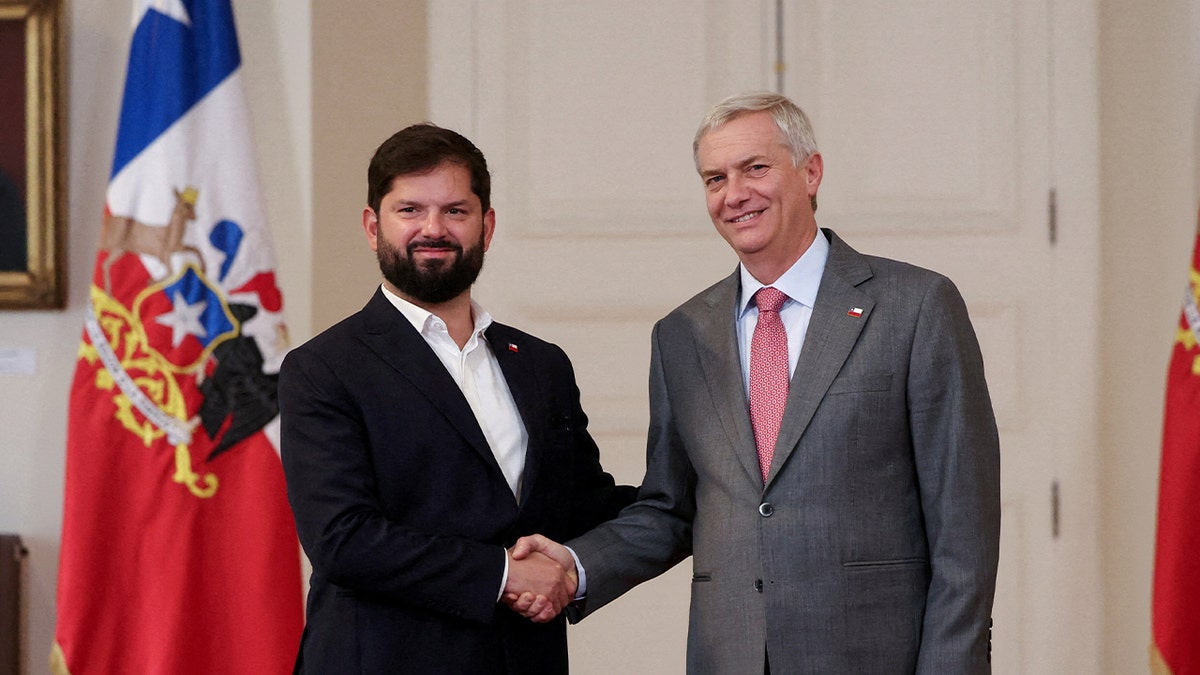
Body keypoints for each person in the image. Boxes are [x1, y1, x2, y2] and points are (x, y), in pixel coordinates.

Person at [510, 92, 1001, 673]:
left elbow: (963, 525)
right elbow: (672, 508)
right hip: (731, 655)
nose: (734, 194)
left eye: (755, 168)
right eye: (715, 179)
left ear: (811, 172)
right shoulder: (681, 335)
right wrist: (574, 566)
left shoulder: (915, 307)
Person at [278, 123, 637, 674]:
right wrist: (505, 574)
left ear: (486, 227)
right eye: (410, 210)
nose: (433, 229)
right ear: (373, 226)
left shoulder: (541, 365)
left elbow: (582, 506)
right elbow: (343, 539)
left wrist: (706, 496)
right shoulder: (322, 368)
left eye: (455, 211)